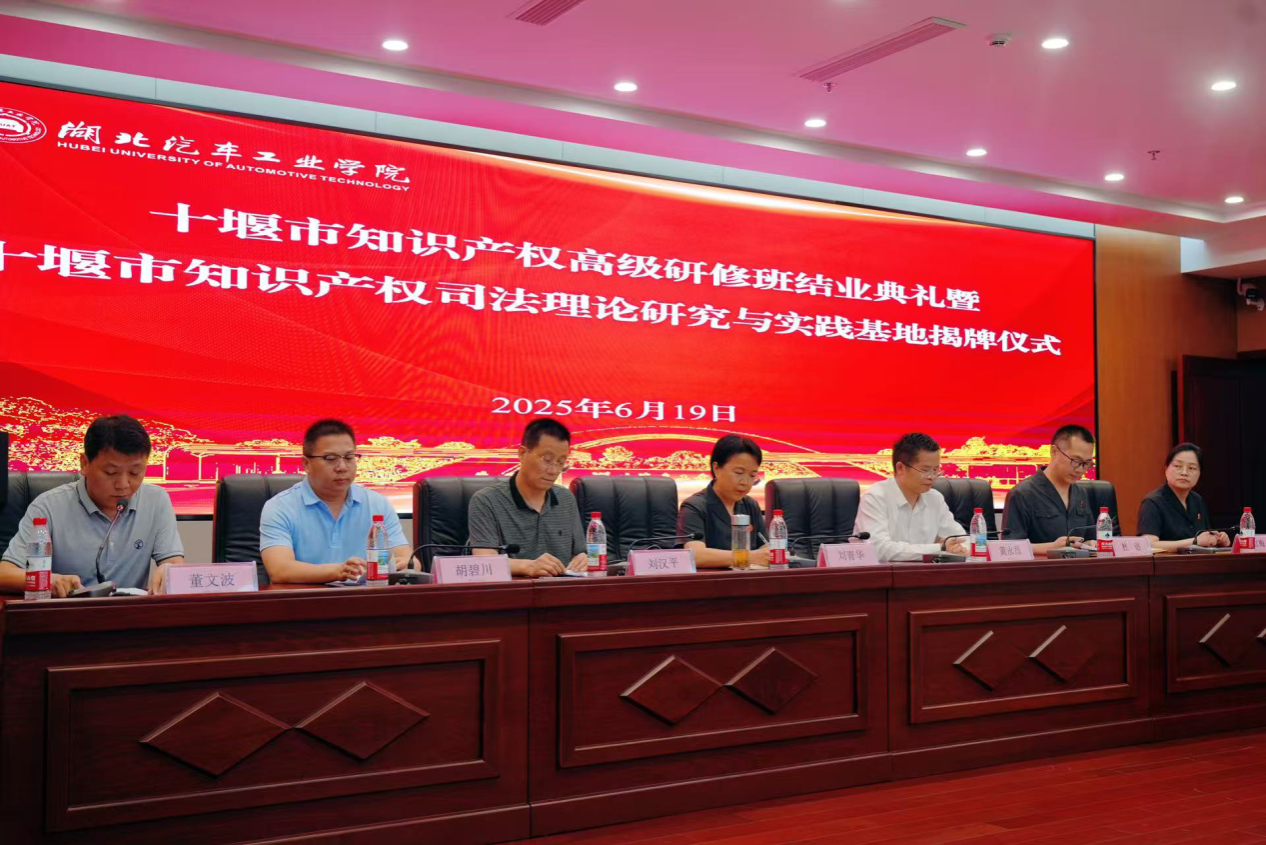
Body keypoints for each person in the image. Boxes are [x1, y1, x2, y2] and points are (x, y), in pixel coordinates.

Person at [0, 414, 184, 596]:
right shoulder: (48, 507)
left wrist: (168, 571)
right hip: (68, 612)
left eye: (135, 473)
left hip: (130, 612)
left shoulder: (156, 500)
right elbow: (4, 574)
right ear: (84, 464)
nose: (123, 485)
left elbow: (173, 563)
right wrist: (48, 580)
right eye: (111, 472)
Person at [259, 419, 413, 584]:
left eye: (349, 457)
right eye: (330, 458)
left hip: (366, 597)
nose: (342, 467)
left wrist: (404, 564)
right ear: (306, 464)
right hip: (305, 598)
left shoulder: (377, 503)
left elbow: (408, 559)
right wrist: (339, 571)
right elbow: (280, 570)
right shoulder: (280, 507)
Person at [468, 418, 587, 577]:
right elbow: (484, 561)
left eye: (561, 462)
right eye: (546, 460)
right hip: (512, 590)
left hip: (561, 589)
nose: (553, 471)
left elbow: (579, 552)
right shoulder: (486, 501)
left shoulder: (566, 498)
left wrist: (582, 559)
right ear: (522, 453)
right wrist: (527, 566)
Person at [855, 432, 968, 561]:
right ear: (900, 468)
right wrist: (940, 548)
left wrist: (957, 547)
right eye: (925, 470)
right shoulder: (876, 497)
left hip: (923, 572)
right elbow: (878, 549)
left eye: (935, 470)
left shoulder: (935, 498)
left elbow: (962, 539)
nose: (932, 477)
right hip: (882, 573)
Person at [1001, 424, 1103, 555]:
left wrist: (1089, 544)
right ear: (1054, 452)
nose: (1080, 470)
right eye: (1075, 461)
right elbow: (1009, 548)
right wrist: (1051, 547)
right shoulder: (1022, 494)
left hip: (1078, 565)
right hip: (1040, 567)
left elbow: (1089, 537)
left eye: (1086, 464)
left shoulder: (1080, 493)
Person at [679, 434, 770, 569]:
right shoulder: (694, 506)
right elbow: (695, 555)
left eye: (752, 476)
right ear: (716, 468)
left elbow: (765, 547)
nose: (745, 482)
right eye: (738, 473)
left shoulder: (750, 505)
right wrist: (748, 557)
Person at [1138, 443, 1231, 551]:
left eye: (1191, 468)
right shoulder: (1152, 503)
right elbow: (1149, 545)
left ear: (1199, 473)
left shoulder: (1198, 500)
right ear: (1166, 468)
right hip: (1168, 561)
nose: (1184, 472)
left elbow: (1205, 538)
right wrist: (1195, 541)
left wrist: (1217, 539)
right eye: (1178, 466)